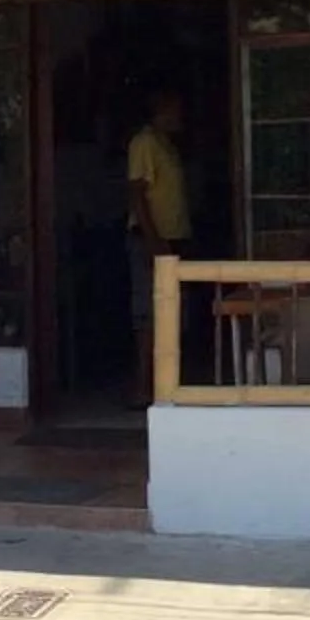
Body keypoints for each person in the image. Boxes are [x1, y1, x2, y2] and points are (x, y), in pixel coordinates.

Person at [126, 89, 190, 406]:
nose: (180, 115)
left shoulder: (167, 146)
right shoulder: (144, 143)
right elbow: (137, 194)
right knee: (148, 313)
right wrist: (154, 242)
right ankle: (143, 387)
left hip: (173, 237)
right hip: (151, 239)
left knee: (172, 310)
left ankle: (167, 382)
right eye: (174, 108)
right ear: (160, 109)